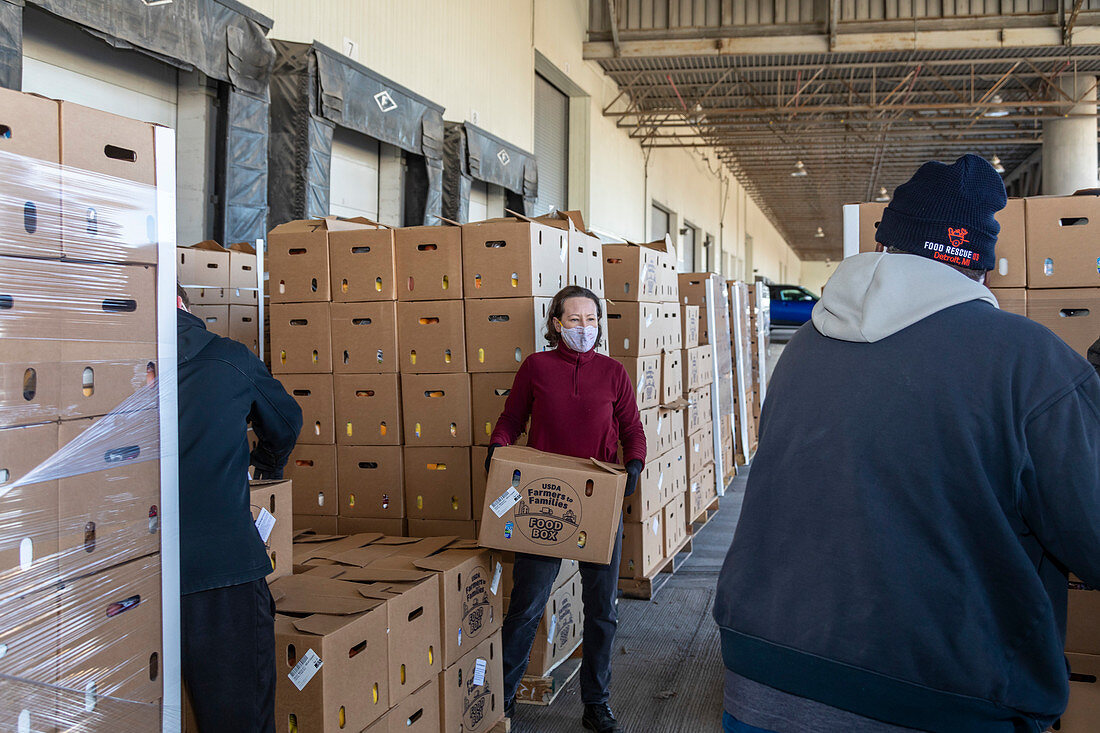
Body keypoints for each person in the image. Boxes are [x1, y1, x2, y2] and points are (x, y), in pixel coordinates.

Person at [714, 154, 1100, 732]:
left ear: (887, 244)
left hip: (762, 677)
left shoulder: (806, 347)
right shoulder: (1030, 360)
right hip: (938, 693)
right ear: (981, 264)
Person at [488, 285, 646, 733]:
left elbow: (633, 429)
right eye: (574, 320)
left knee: (602, 610)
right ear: (556, 323)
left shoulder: (613, 373)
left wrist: (634, 463)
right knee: (526, 606)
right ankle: (502, 700)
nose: (584, 328)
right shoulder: (536, 367)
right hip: (544, 501)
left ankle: (596, 702)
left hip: (598, 502)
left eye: (591, 320)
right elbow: (512, 419)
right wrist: (497, 446)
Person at [176, 285, 302, 732]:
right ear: (181, 304)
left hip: (128, 578)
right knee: (238, 719)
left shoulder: (102, 368)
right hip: (220, 572)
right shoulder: (228, 358)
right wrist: (265, 464)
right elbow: (286, 421)